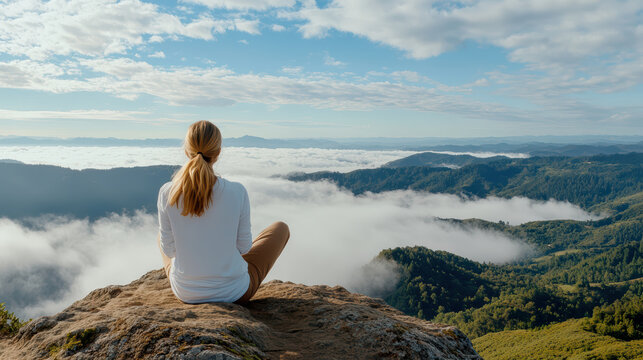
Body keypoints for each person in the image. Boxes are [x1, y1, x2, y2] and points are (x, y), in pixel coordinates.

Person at [157, 120, 289, 305]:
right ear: (218, 153)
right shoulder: (237, 191)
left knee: (161, 237)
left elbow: (169, 250)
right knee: (281, 228)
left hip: (186, 292)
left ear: (186, 151)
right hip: (234, 293)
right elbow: (244, 248)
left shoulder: (167, 192)